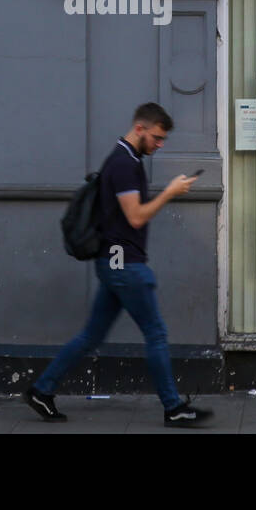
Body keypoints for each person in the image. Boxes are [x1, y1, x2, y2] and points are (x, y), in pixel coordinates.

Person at [23, 102, 212, 427]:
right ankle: (173, 408)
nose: (159, 144)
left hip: (114, 264)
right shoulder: (124, 164)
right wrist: (169, 192)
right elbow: (136, 217)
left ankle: (42, 390)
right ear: (140, 128)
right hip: (125, 266)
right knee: (155, 333)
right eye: (156, 137)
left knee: (91, 336)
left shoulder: (126, 159)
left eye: (163, 139)